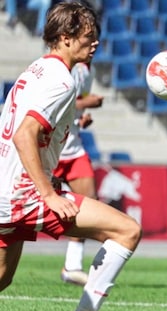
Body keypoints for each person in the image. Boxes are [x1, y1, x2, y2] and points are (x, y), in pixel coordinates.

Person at [0, 2, 141, 311]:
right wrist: (48, 194)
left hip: (6, 189)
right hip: (23, 194)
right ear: (64, 38)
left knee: (2, 278)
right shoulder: (62, 80)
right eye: (88, 37)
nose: (95, 44)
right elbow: (24, 134)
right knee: (127, 230)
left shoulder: (36, 69)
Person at [55, 59, 105, 287]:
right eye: (90, 35)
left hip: (74, 149)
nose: (94, 43)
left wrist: (82, 116)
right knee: (20, 207)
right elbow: (59, 102)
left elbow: (75, 109)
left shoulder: (88, 70)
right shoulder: (63, 66)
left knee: (87, 204)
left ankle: (72, 266)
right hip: (51, 149)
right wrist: (88, 102)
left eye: (97, 37)